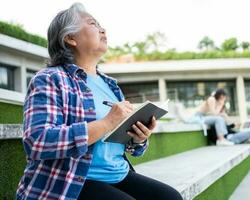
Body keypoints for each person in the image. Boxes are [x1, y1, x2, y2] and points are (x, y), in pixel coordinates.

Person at [16, 3, 182, 200]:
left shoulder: (111, 85)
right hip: (72, 181)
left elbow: (129, 148)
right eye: (93, 23)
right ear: (70, 38)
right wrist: (106, 123)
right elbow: (38, 141)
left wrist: (138, 138)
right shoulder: (50, 79)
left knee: (171, 197)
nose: (102, 29)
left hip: (118, 174)